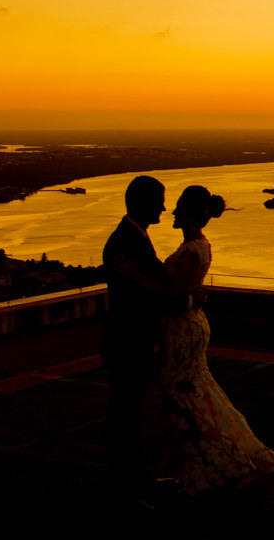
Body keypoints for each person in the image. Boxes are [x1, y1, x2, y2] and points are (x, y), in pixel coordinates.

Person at [158, 185, 274, 495]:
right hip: (190, 325)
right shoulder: (199, 246)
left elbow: (175, 299)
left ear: (189, 214)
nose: (172, 212)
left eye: (177, 208)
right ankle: (215, 462)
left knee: (184, 398)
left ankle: (216, 464)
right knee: (200, 394)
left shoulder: (191, 251)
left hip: (182, 328)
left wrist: (137, 279)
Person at [100, 175, 182, 508]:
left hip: (131, 338)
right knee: (124, 417)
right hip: (127, 340)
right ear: (140, 203)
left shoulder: (135, 237)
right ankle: (128, 489)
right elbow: (141, 292)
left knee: (127, 415)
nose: (164, 207)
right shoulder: (125, 242)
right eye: (158, 200)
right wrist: (183, 299)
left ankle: (137, 482)